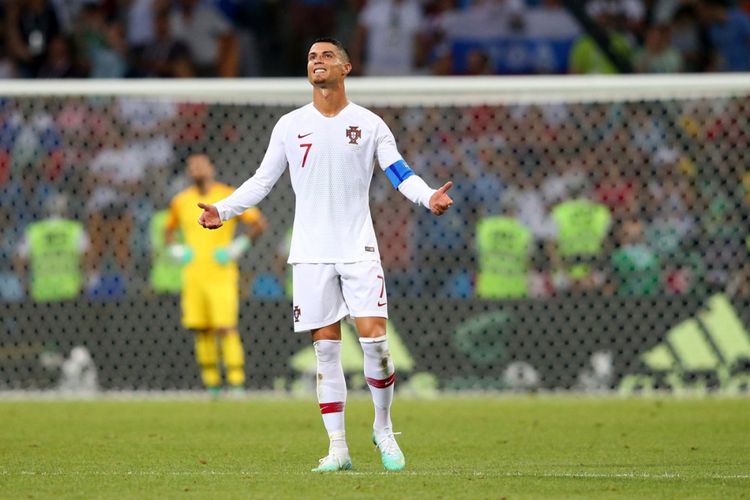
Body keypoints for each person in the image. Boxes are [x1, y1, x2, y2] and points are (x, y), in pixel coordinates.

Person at [196, 38, 453, 472]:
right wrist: (224, 210)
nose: (317, 61)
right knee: (327, 353)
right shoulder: (289, 125)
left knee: (375, 344)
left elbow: (397, 172)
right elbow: (262, 180)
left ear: (346, 68)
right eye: (311, 56)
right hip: (311, 252)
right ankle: (338, 448)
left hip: (358, 247)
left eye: (326, 55)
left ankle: (384, 429)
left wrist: (428, 197)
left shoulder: (370, 124)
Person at [165, 154, 267, 395]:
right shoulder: (180, 201)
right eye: (191, 165)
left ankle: (236, 380)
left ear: (212, 167)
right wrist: (177, 250)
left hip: (221, 272)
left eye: (201, 164)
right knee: (201, 328)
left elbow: (258, 223)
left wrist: (237, 247)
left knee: (226, 326)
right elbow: (168, 231)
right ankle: (211, 383)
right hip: (194, 273)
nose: (196, 168)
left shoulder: (228, 194)